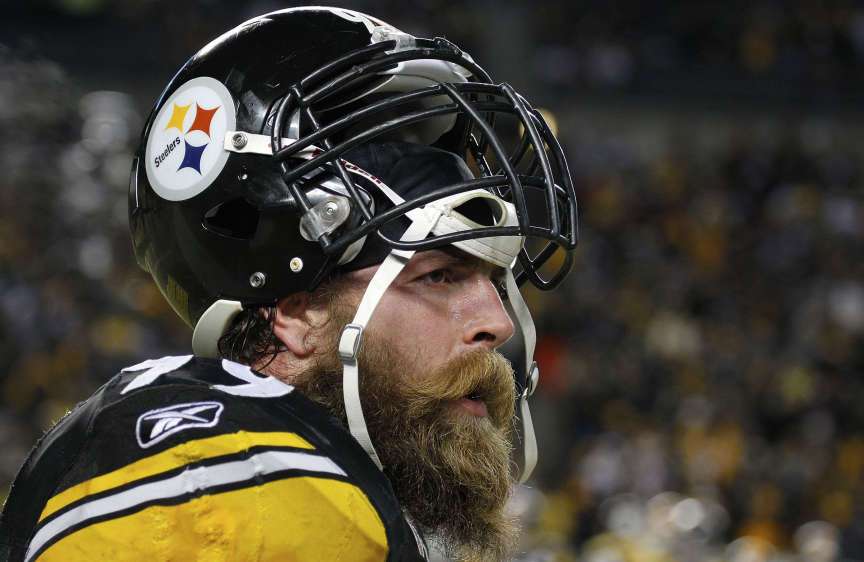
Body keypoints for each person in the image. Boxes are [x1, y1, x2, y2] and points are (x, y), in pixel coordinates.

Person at [0, 7, 578, 561]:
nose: (498, 323)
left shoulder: (326, 480)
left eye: (492, 279)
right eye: (440, 276)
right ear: (298, 315)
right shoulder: (230, 478)